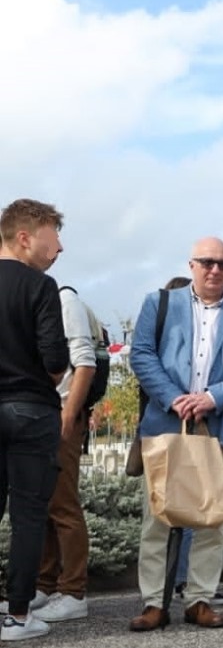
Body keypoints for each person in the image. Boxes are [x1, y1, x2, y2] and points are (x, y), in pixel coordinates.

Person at [129, 238, 223, 631]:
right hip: (165, 424)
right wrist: (175, 398)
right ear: (191, 265)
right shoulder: (158, 304)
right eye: (208, 262)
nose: (216, 270)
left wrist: (211, 398)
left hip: (220, 427)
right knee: (158, 516)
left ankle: (199, 599)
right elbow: (141, 354)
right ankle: (154, 602)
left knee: (211, 518)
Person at [0, 199, 70, 642]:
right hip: (30, 408)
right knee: (27, 515)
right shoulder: (40, 288)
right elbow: (56, 362)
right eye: (52, 236)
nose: (59, 247)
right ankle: (19, 615)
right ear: (24, 237)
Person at [32, 264, 100, 624]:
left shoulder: (64, 299)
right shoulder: (36, 298)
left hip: (60, 413)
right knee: (41, 503)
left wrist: (68, 415)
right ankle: (45, 585)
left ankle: (73, 591)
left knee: (63, 503)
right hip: (38, 414)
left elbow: (84, 362)